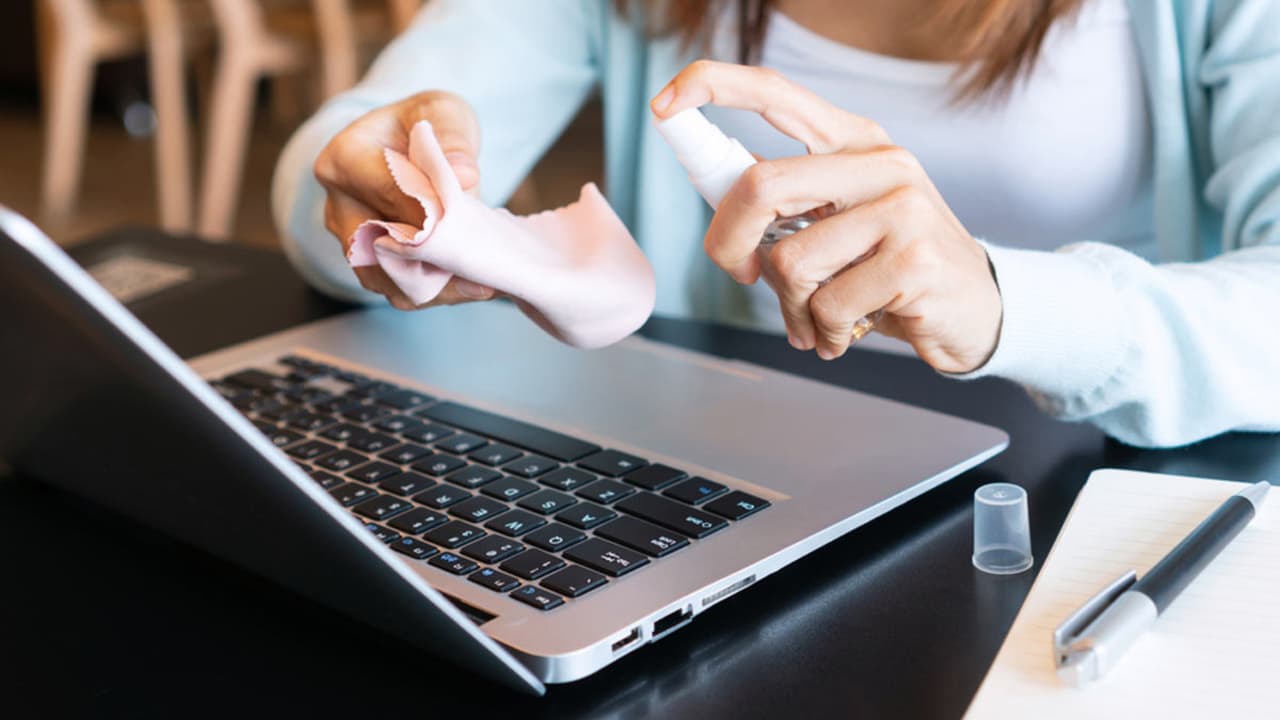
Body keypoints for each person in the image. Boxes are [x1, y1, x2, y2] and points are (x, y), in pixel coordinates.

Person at [272, 0, 1280, 448]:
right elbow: (338, 172)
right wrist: (374, 196)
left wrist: (1003, 305)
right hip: (727, 485)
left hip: (1098, 494)